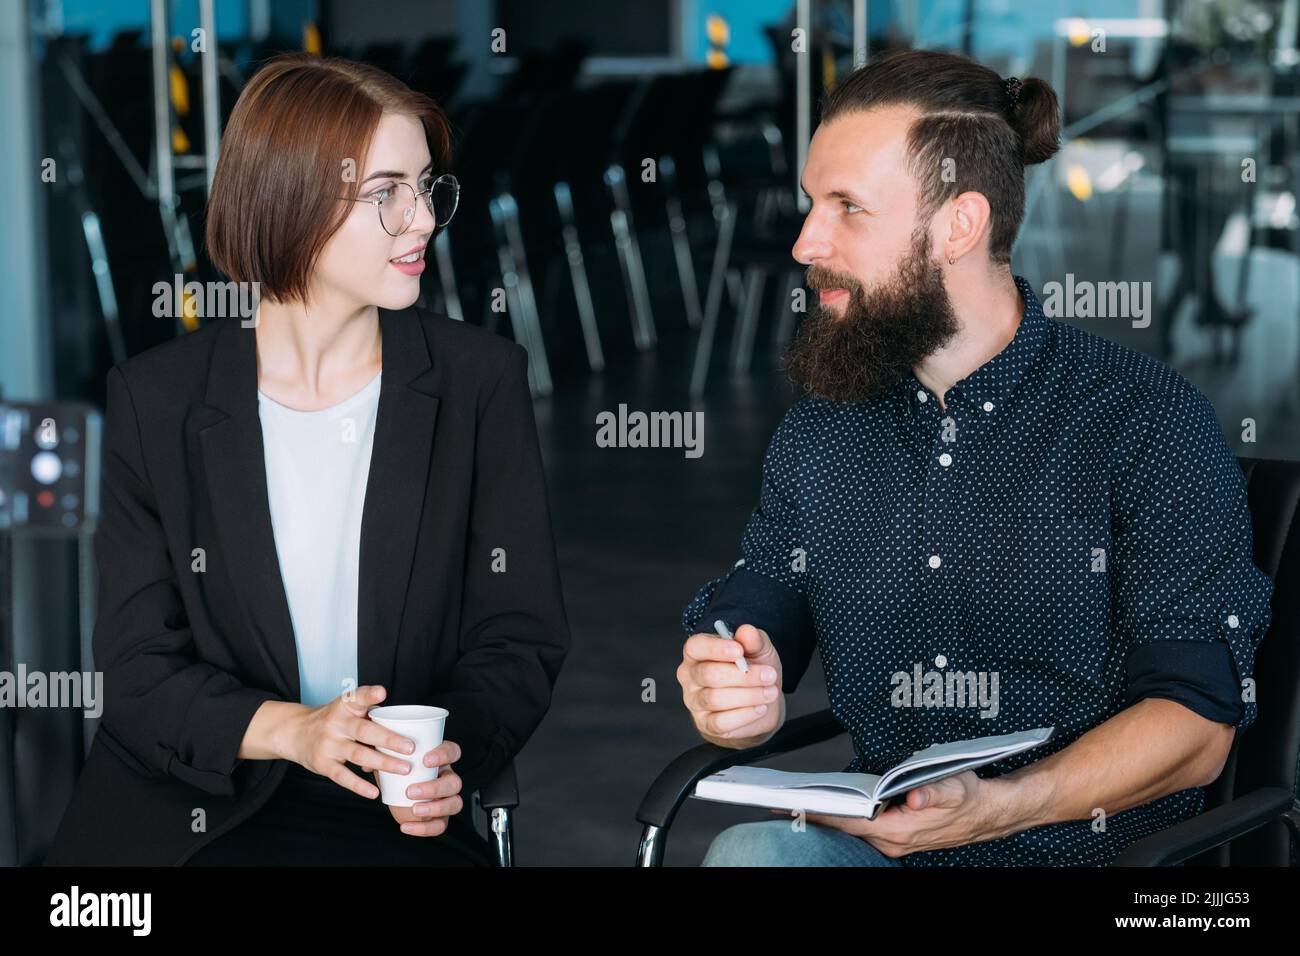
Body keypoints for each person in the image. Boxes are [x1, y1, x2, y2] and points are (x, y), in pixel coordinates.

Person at [677, 49, 1274, 866]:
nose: (806, 243)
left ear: (960, 224)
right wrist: (734, 682)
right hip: (894, 851)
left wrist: (998, 808)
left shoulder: (1143, 419)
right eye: (813, 203)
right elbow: (760, 608)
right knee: (755, 853)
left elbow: (1197, 726)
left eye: (848, 207)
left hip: (1092, 859)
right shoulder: (824, 430)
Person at [44, 53, 570, 866]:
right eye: (387, 194)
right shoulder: (158, 400)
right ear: (287, 199)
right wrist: (296, 732)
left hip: (383, 807)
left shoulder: (478, 382)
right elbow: (136, 667)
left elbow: (518, 634)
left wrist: (445, 758)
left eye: (428, 188)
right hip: (192, 803)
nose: (425, 220)